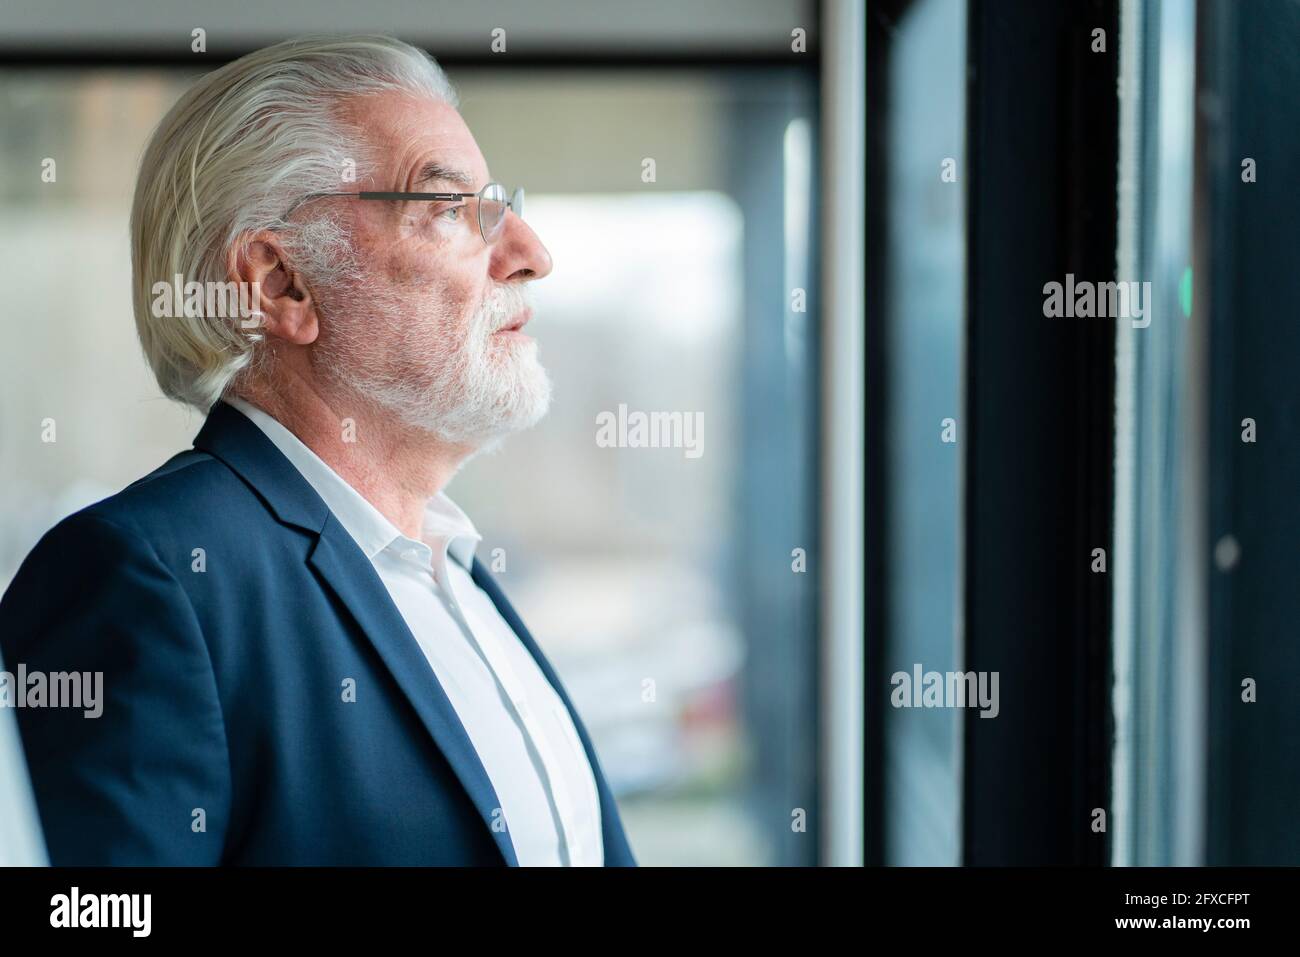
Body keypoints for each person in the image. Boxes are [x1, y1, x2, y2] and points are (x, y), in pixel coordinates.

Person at [0, 34, 636, 867]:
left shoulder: (458, 571)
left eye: (500, 204)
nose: (530, 254)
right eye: (449, 209)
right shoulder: (146, 576)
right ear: (280, 284)